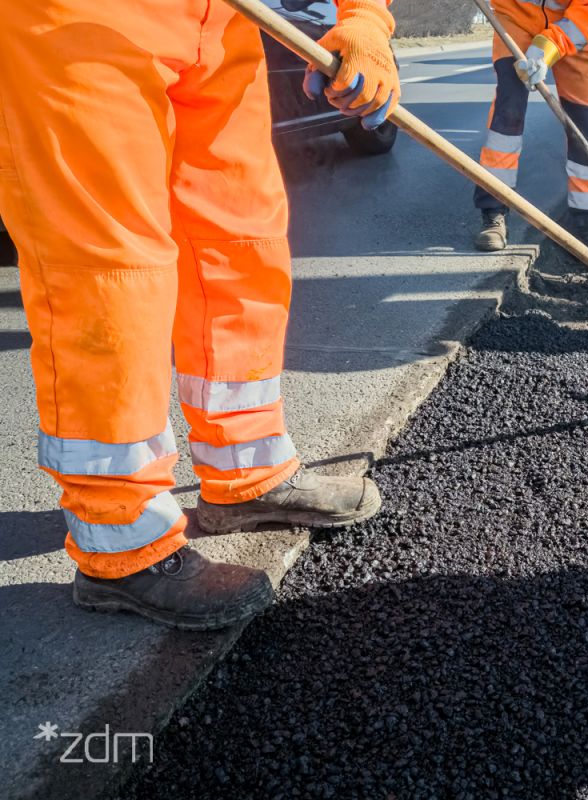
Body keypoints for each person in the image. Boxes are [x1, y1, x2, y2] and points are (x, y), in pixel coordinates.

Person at [0, 0, 402, 630]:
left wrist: (366, 17)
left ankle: (247, 475)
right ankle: (120, 537)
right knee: (110, 264)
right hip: (80, 17)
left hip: (221, 22)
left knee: (239, 243)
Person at [473, 0, 588, 262]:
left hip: (579, 28)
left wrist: (549, 46)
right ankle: (493, 211)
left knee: (585, 128)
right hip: (516, 18)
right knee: (508, 112)